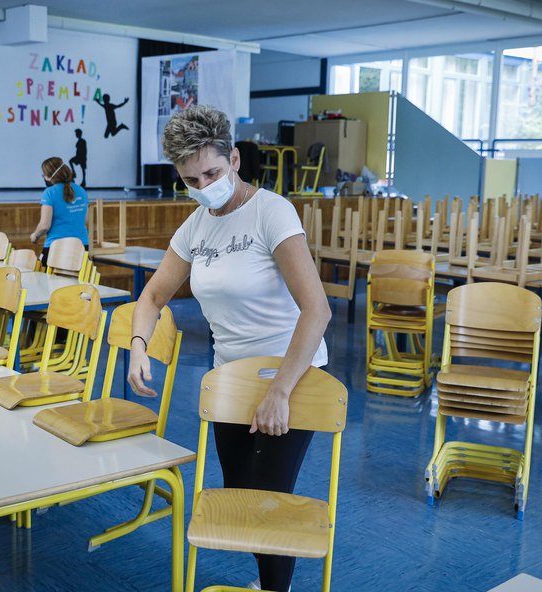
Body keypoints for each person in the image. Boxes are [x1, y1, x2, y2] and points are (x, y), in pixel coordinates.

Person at [128, 105, 330, 592]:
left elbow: (317, 310)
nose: (203, 186)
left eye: (212, 172)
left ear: (234, 159)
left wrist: (280, 392)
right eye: (190, 179)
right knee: (241, 494)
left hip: (292, 376)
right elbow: (153, 295)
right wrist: (138, 346)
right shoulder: (196, 225)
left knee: (270, 499)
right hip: (231, 379)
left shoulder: (271, 212)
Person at [29, 157, 89, 263]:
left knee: (41, 277)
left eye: (44, 175)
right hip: (81, 247)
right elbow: (86, 220)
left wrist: (35, 236)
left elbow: (44, 226)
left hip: (56, 248)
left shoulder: (49, 193)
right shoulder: (82, 191)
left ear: (48, 176)